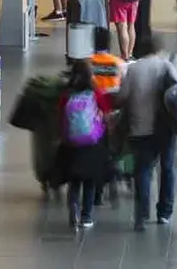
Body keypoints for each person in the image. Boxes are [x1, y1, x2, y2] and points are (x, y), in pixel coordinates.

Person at [117, 34, 177, 230]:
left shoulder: (133, 69)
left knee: (143, 170)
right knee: (168, 169)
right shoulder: (166, 66)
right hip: (166, 130)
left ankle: (142, 213)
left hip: (140, 128)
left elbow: (122, 96)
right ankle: (165, 212)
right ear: (158, 50)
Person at [57, 60, 114, 229]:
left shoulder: (67, 94)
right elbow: (106, 113)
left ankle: (73, 205)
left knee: (74, 180)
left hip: (71, 143)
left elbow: (60, 115)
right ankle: (86, 217)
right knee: (89, 180)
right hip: (91, 142)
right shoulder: (95, 93)